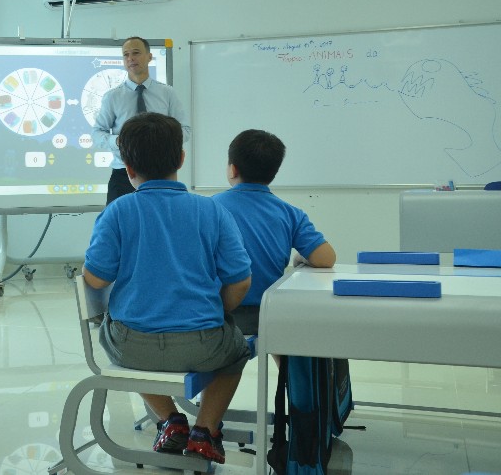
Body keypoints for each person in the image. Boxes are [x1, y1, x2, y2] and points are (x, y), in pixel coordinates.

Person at [82, 113, 252, 464]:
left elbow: (96, 279)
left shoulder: (117, 212)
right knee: (237, 351)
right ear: (181, 159)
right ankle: (205, 430)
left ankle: (170, 420)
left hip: (133, 346)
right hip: (204, 344)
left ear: (128, 167)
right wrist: (219, 313)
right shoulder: (211, 210)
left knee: (113, 338)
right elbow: (240, 280)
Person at [213, 129, 336, 336]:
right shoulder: (290, 213)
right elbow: (327, 258)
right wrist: (302, 257)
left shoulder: (210, 208)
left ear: (232, 170)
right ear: (273, 173)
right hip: (271, 315)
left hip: (221, 315)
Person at [92, 36, 190, 204]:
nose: (130, 58)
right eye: (126, 55)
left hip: (160, 174)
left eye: (136, 53)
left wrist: (163, 139)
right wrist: (119, 141)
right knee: (119, 220)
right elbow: (97, 133)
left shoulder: (167, 94)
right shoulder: (112, 97)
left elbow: (185, 130)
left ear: (149, 57)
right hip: (124, 173)